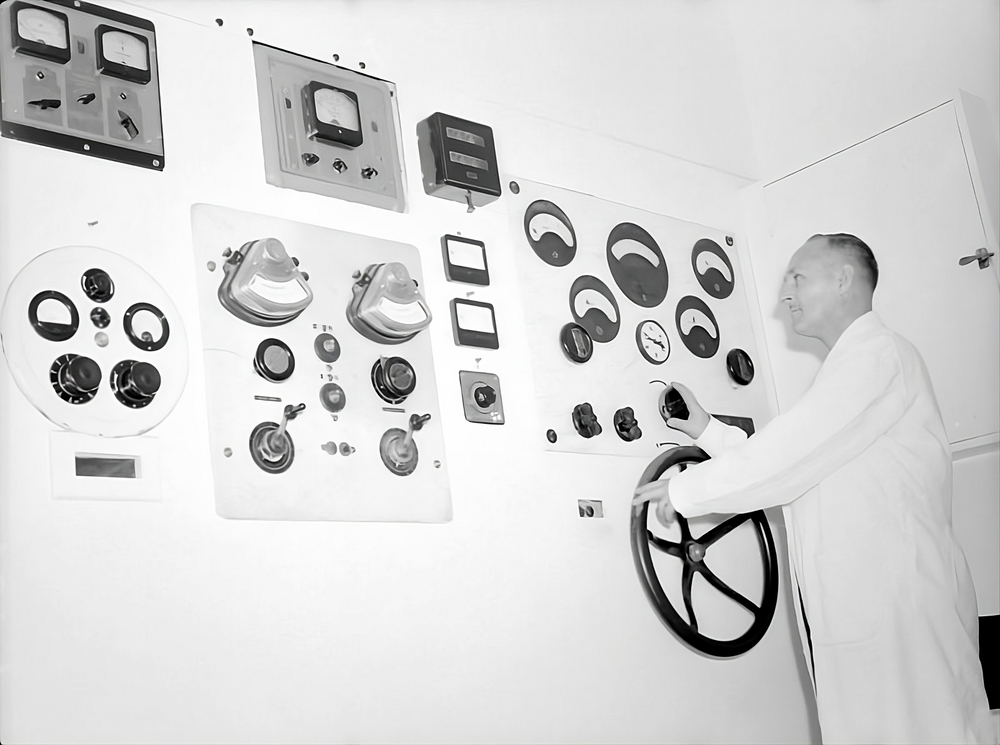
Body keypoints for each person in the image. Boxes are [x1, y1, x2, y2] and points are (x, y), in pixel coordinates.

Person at [633, 234, 995, 744]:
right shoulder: (853, 373)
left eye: (798, 277)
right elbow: (798, 459)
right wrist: (704, 430)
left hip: (895, 611)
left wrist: (686, 491)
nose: (786, 293)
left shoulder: (878, 355)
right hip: (873, 611)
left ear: (843, 279)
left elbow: (793, 452)